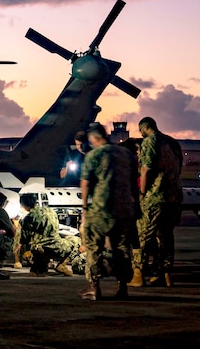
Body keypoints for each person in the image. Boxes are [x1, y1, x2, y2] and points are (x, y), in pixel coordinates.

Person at [78, 122, 135, 300]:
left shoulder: (94, 155)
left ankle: (94, 287)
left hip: (101, 209)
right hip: (124, 209)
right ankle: (123, 286)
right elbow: (134, 182)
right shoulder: (126, 154)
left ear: (94, 138)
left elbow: (85, 183)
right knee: (122, 248)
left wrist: (85, 208)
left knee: (94, 248)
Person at [135, 117, 184, 287]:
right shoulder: (172, 143)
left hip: (156, 196)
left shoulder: (149, 142)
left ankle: (138, 274)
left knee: (143, 235)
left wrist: (142, 193)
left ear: (146, 127)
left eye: (140, 131)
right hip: (174, 196)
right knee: (166, 236)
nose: (140, 134)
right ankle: (166, 274)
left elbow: (146, 169)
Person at [18, 194, 81, 276]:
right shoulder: (51, 211)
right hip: (57, 246)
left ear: (23, 205)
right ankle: (62, 265)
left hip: (40, 249)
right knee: (77, 240)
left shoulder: (28, 218)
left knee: (33, 248)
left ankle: (38, 267)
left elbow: (24, 238)